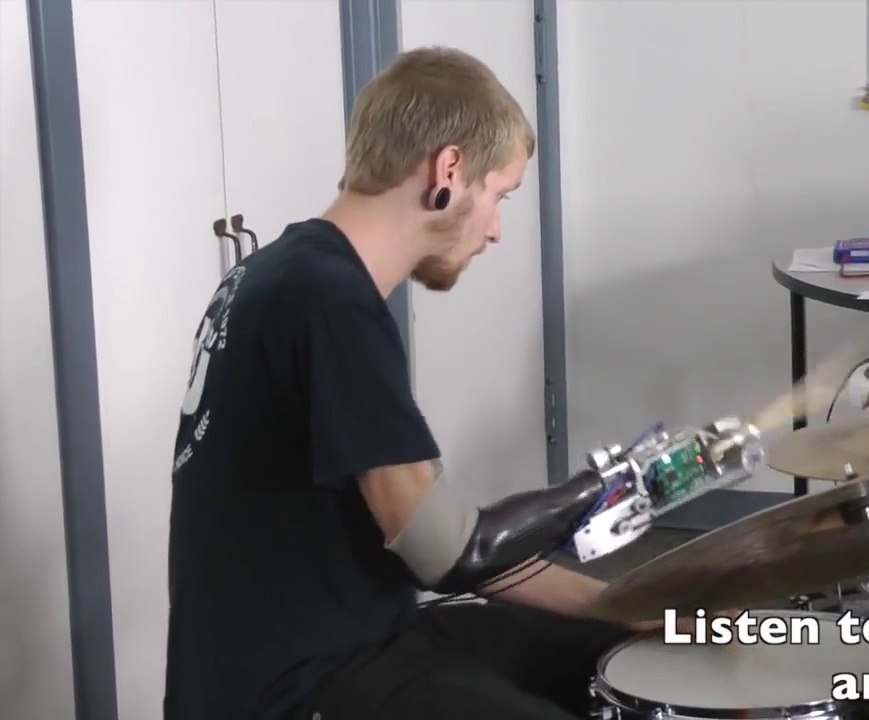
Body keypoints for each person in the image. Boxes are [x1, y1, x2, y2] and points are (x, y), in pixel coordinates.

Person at [164, 46, 670, 720]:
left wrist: (625, 606)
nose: (494, 230)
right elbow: (448, 552)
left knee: (611, 651)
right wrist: (609, 483)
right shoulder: (330, 303)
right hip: (296, 687)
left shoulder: (280, 273)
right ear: (450, 171)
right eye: (500, 195)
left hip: (351, 636)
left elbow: (431, 537)